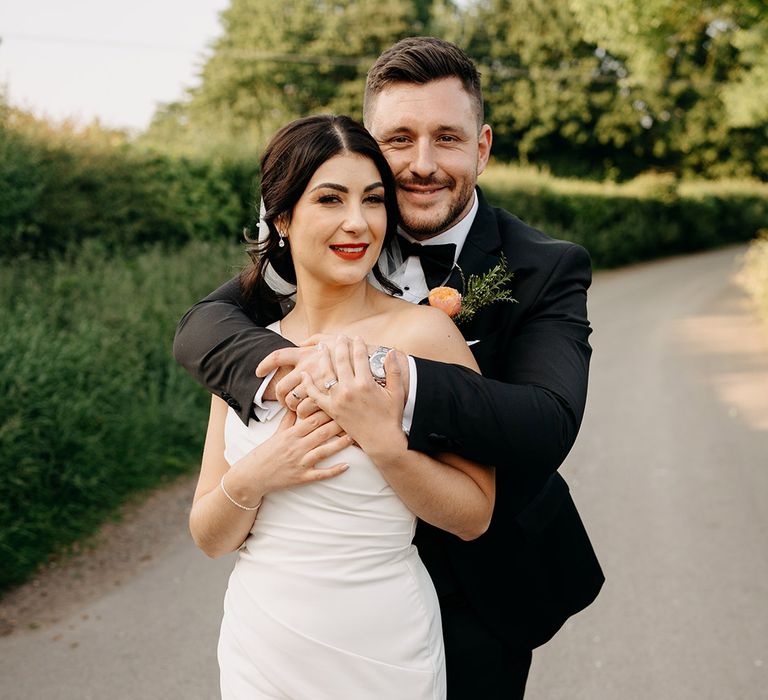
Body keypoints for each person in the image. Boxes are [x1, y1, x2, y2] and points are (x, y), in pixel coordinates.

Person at [175, 37, 604, 699]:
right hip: (282, 627)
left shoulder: (539, 268)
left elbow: (546, 423)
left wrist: (388, 384)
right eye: (399, 139)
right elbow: (203, 327)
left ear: (482, 148)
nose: (422, 164)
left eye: (447, 139)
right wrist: (290, 373)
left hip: (480, 585)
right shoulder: (329, 244)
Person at [189, 113, 495, 699]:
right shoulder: (247, 349)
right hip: (263, 647)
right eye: (330, 199)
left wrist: (384, 443)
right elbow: (209, 536)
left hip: (384, 647)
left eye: (373, 200)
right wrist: (258, 474)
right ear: (281, 216)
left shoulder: (427, 336)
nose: (358, 222)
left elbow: (474, 513)